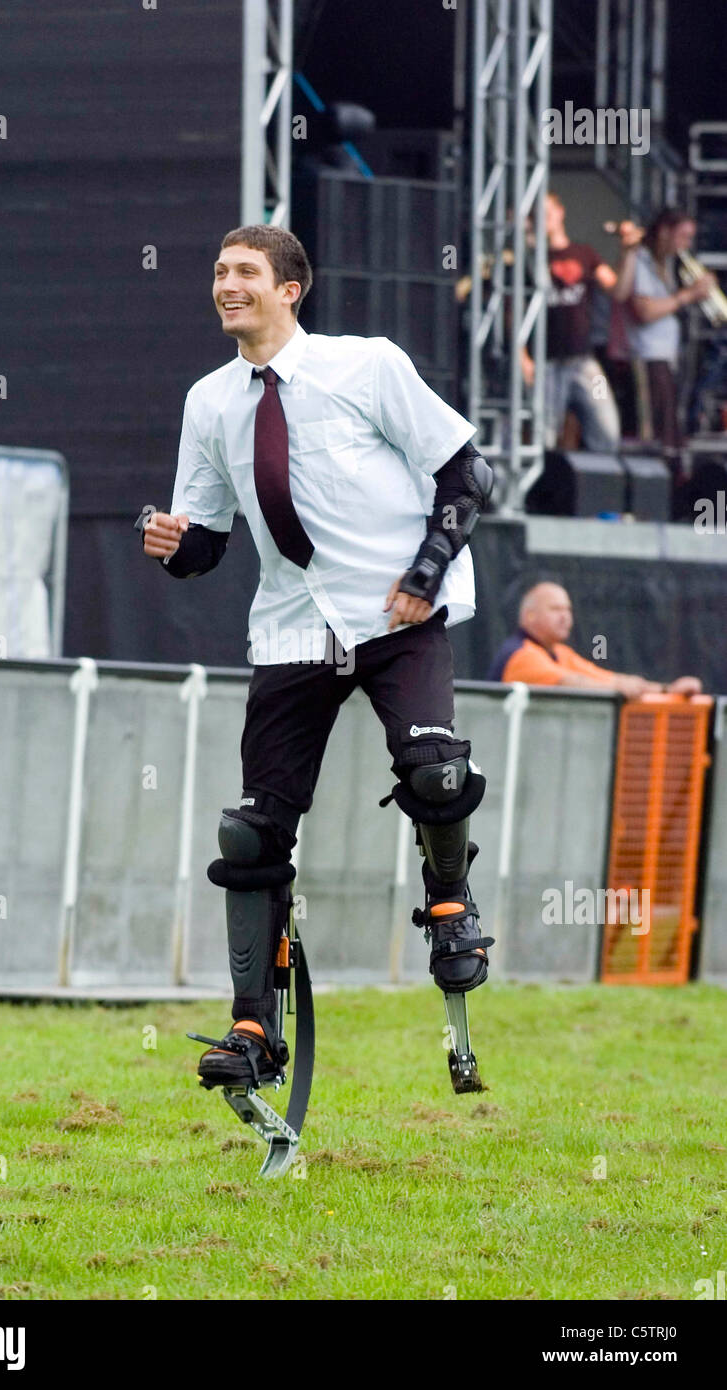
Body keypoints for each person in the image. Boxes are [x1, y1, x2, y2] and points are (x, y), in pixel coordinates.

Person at [142, 224, 494, 1088]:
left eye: (246, 273)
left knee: (435, 773)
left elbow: (468, 475)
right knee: (250, 831)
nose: (227, 285)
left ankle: (449, 905)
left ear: (289, 288)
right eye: (219, 271)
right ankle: (253, 1029)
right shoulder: (210, 401)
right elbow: (208, 543)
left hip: (395, 612)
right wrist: (174, 543)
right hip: (294, 626)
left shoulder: (365, 365)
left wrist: (423, 574)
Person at [613, 207, 717, 505]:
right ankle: (647, 499)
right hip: (645, 359)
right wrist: (689, 295)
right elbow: (644, 310)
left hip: (664, 360)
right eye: (683, 236)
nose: (686, 244)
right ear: (664, 232)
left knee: (670, 436)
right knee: (652, 438)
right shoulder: (641, 261)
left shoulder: (669, 265)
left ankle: (669, 496)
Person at [520, 193, 635, 452]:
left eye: (549, 210)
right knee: (544, 437)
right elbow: (513, 312)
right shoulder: (529, 260)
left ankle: (602, 486)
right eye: (538, 213)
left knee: (607, 430)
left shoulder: (585, 253)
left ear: (561, 211)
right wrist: (522, 356)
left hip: (584, 361)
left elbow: (618, 291)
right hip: (546, 364)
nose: (545, 216)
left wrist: (627, 253)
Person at [487, 581, 702, 698]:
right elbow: (574, 683)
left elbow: (606, 678)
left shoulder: (559, 653)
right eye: (555, 609)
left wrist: (666, 690)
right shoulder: (522, 655)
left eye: (568, 610)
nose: (565, 617)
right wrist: (619, 690)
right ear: (529, 616)